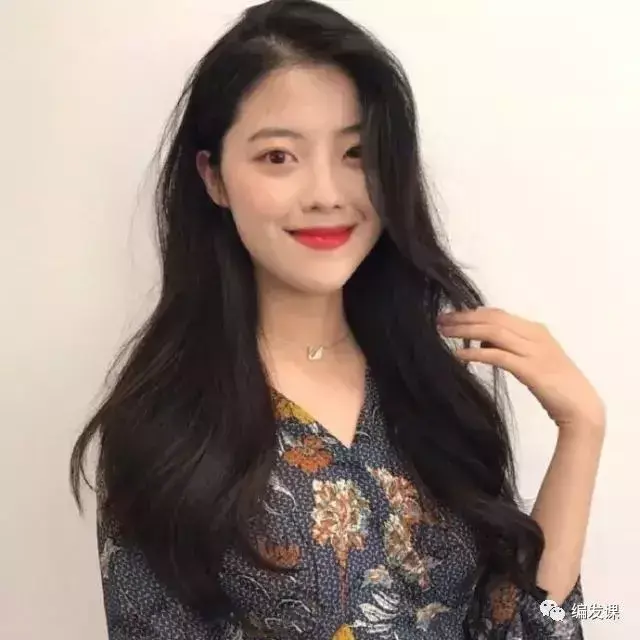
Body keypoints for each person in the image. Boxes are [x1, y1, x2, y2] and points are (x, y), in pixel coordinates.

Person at [69, 1, 606, 638]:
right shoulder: (167, 430)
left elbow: (529, 624)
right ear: (214, 177)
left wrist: (581, 430)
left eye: (356, 153)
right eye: (278, 157)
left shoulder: (430, 386)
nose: (326, 194)